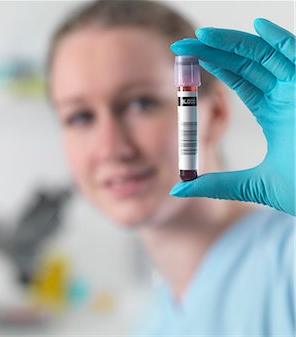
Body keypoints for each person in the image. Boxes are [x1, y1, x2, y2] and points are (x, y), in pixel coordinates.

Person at [46, 1, 295, 336]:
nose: (111, 148)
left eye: (141, 103)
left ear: (216, 113)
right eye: (80, 116)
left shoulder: (286, 263)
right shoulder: (149, 324)